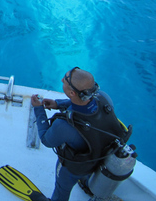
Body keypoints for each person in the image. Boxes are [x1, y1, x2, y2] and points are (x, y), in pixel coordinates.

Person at [31, 67, 129, 201]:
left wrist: (38, 109)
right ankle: (87, 184)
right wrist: (57, 104)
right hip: (101, 159)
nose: (61, 80)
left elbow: (46, 140)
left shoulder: (64, 126)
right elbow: (82, 104)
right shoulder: (104, 98)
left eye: (65, 80)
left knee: (62, 188)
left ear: (71, 93)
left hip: (76, 168)